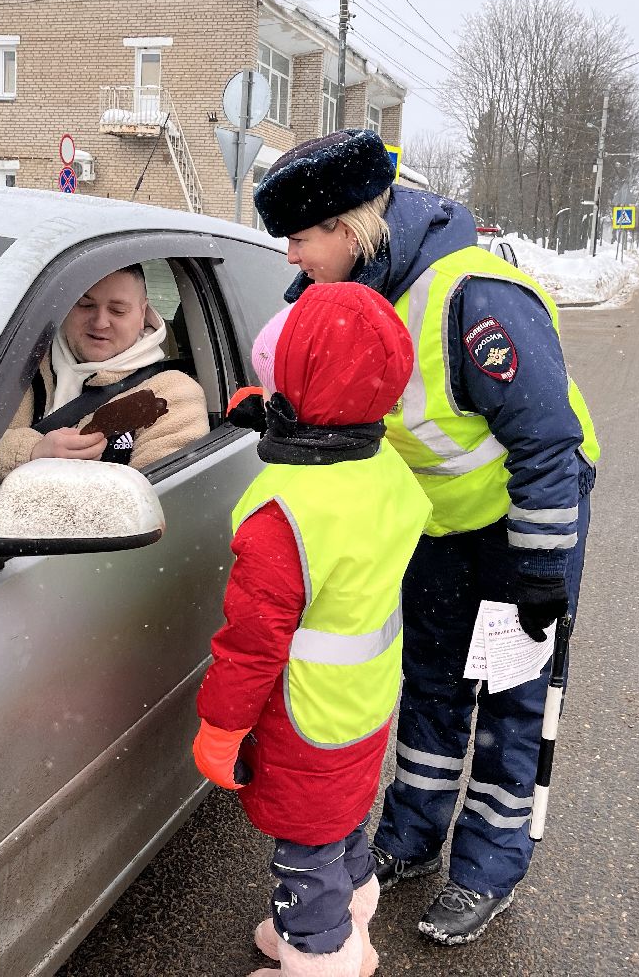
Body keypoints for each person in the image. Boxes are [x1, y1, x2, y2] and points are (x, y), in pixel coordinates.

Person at [253, 129, 600, 946]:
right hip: (436, 522)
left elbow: (547, 443)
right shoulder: (332, 294)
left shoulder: (476, 297)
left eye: (300, 239)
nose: (292, 257)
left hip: (524, 523)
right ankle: (411, 835)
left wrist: (542, 569)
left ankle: (489, 867)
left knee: (511, 698)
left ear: (347, 227)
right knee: (433, 682)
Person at [193, 282, 431, 977]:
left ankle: (319, 956)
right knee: (341, 820)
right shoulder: (384, 467)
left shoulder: (285, 513)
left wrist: (220, 729)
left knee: (305, 851)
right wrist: (277, 413)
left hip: (302, 714)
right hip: (364, 698)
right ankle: (352, 935)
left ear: (296, 384)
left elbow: (251, 645)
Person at [0, 265, 208, 479]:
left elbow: (152, 495)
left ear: (143, 313)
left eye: (117, 310)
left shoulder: (172, 394)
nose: (100, 323)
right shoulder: (17, 365)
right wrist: (31, 452)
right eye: (85, 305)